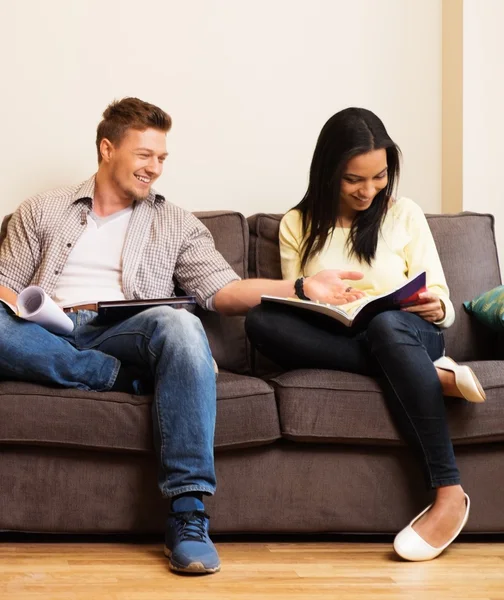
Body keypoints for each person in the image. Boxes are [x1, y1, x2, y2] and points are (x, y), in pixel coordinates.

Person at [0, 97, 365, 575]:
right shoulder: (43, 210)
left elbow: (224, 290)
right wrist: (26, 304)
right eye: (144, 155)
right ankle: (114, 378)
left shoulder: (175, 223)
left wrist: (300, 287)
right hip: (46, 329)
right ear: (107, 149)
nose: (155, 168)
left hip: (124, 330)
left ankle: (187, 515)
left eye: (162, 158)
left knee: (180, 321)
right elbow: (5, 280)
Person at [245, 107, 486, 562]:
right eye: (355, 179)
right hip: (341, 336)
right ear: (328, 171)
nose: (369, 190)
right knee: (261, 322)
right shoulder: (297, 224)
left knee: (387, 324)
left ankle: (449, 492)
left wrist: (437, 306)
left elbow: (440, 298)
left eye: (379, 177)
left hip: (408, 329)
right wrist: (321, 298)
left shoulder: (404, 214)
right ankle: (426, 376)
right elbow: (296, 306)